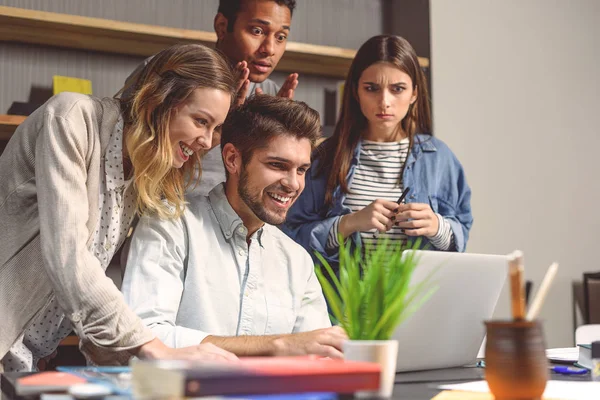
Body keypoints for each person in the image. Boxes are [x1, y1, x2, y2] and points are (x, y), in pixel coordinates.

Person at [0, 44, 239, 372]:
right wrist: (154, 349)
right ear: (158, 99)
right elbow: (68, 256)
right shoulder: (72, 118)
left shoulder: (143, 170)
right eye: (201, 121)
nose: (207, 141)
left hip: (27, 359)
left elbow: (101, 276)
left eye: (215, 129)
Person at [121, 95, 347, 359]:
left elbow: (315, 356)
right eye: (277, 165)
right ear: (232, 159)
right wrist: (277, 345)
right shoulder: (170, 224)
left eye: (301, 170)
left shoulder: (297, 261)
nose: (293, 184)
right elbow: (144, 336)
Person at [282, 35, 473, 272]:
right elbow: (290, 237)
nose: (384, 102)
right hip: (341, 304)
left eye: (398, 89)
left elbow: (460, 236)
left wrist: (438, 227)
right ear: (355, 91)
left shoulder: (439, 158)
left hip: (414, 305)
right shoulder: (325, 156)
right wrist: (349, 223)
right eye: (371, 88)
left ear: (414, 93)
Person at [123, 0, 299, 196]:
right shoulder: (171, 71)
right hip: (162, 211)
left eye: (281, 37)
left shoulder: (271, 94)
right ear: (222, 26)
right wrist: (219, 131)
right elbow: (128, 161)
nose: (270, 49)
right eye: (257, 31)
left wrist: (280, 140)